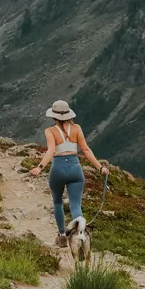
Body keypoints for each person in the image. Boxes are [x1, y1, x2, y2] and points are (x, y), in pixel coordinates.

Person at [29, 99, 110, 247]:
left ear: (54, 117)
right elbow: (86, 150)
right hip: (75, 168)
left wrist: (39, 167)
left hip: (58, 169)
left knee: (58, 202)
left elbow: (51, 150)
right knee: (75, 204)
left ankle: (61, 237)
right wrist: (100, 168)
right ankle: (80, 233)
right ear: (69, 115)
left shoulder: (50, 131)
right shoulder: (77, 128)